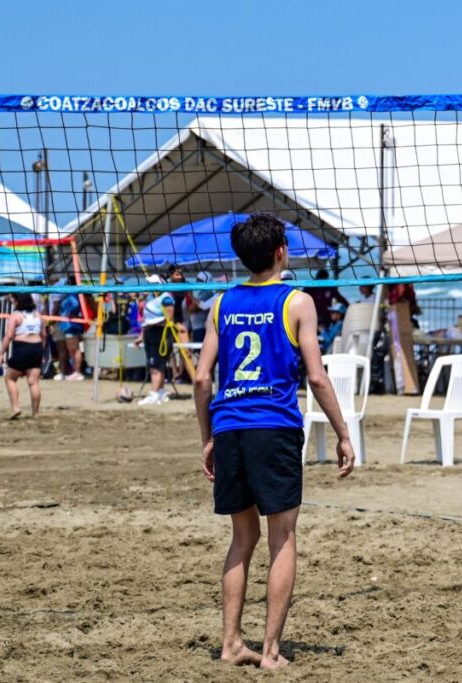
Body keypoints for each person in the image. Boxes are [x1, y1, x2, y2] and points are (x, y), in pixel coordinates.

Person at [194, 213, 355, 670]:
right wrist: (344, 433)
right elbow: (318, 378)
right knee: (282, 539)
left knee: (241, 538)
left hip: (229, 427)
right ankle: (269, 652)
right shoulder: (298, 302)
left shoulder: (221, 303)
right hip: (275, 427)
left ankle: (230, 644)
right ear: (281, 251)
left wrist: (208, 437)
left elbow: (203, 378)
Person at [0, 293, 45, 418]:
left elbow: (8, 336)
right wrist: (42, 351)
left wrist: (1, 352)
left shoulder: (16, 316)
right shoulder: (38, 315)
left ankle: (15, 408)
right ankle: (35, 413)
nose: (12, 302)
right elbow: (44, 335)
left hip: (22, 348)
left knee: (10, 378)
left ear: (18, 300)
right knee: (33, 382)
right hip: (37, 347)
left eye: (13, 300)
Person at [135, 275, 175, 406]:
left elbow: (169, 317)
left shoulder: (166, 298)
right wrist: (141, 336)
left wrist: (153, 324)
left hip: (161, 333)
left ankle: (153, 393)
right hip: (150, 332)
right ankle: (160, 390)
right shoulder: (151, 297)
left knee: (156, 366)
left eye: (152, 283)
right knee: (155, 365)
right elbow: (146, 320)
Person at [58, 283, 86, 381]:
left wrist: (71, 313)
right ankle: (75, 371)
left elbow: (75, 305)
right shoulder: (70, 294)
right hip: (67, 325)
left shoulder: (73, 295)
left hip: (71, 325)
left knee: (75, 349)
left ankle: (78, 372)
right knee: (71, 350)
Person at [187, 271, 218, 346]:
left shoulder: (207, 293)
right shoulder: (203, 293)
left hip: (201, 328)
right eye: (198, 280)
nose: (198, 282)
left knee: (200, 350)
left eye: (200, 280)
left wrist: (189, 295)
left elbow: (195, 308)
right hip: (197, 327)